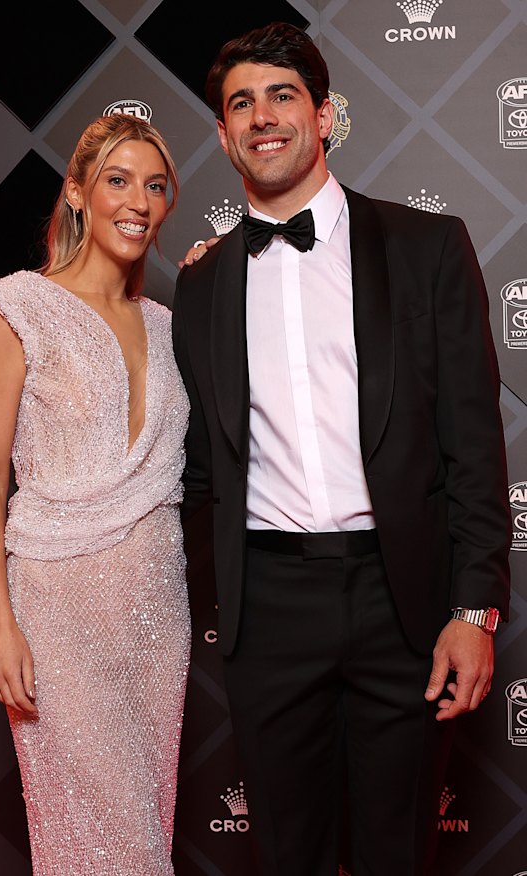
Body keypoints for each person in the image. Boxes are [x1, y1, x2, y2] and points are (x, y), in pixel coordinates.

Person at [172, 21, 511, 876]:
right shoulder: (204, 283)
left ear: (325, 116)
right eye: (240, 104)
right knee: (287, 856)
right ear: (222, 133)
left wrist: (474, 612)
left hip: (402, 601)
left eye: (282, 95)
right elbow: (203, 469)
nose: (262, 117)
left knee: (397, 855)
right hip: (269, 607)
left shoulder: (426, 247)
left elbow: (473, 441)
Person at [0, 113, 191, 875]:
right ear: (77, 195)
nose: (138, 201)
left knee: (145, 822)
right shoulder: (20, 305)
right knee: (104, 838)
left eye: (155, 186)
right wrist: (0, 624)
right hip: (58, 609)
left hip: (158, 613)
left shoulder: (167, 326)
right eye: (118, 181)